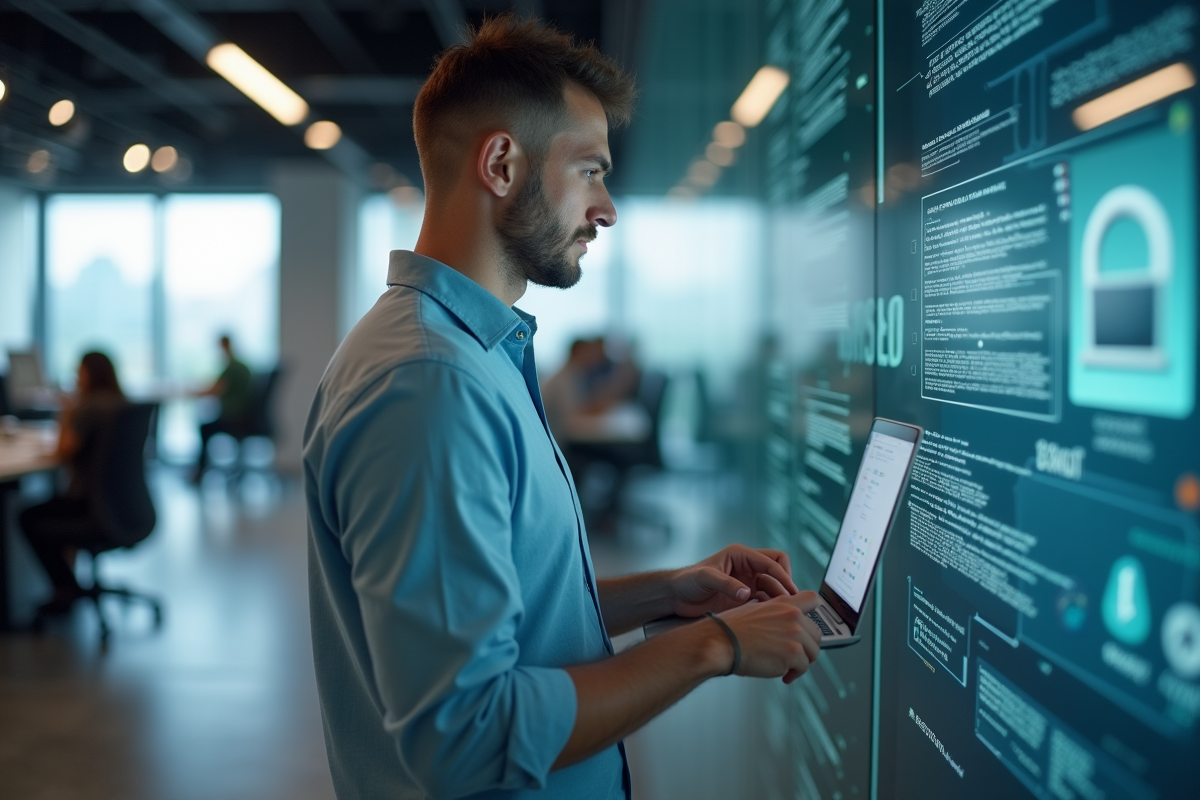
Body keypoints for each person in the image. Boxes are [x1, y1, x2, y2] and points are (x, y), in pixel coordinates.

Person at [304, 16, 823, 800]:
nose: (607, 207)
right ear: (503, 164)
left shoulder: (469, 355)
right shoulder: (430, 383)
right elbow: (467, 738)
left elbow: (503, 606)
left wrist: (669, 593)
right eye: (589, 171)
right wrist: (716, 644)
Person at [20, 351, 127, 614]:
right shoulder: (121, 403)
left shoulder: (89, 407)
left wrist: (66, 410)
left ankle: (66, 587)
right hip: (124, 505)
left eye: (79, 371)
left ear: (90, 374)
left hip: (93, 508)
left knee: (27, 517)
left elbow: (62, 452)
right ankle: (68, 583)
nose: (77, 377)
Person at [192, 334, 253, 482]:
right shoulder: (243, 366)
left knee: (204, 428)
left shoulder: (232, 367)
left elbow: (215, 390)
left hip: (233, 418)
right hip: (245, 417)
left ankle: (200, 471)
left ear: (224, 346)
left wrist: (192, 391)